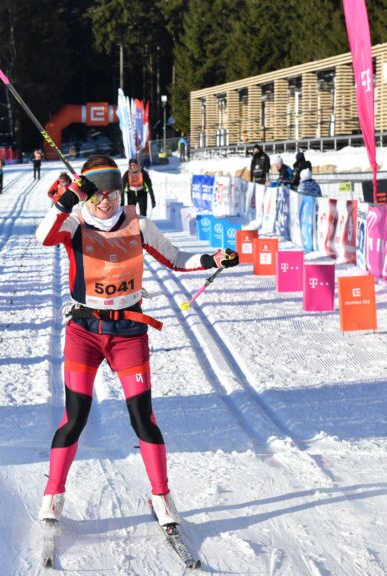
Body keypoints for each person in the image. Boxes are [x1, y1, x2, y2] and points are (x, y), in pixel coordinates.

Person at [34, 155, 240, 527]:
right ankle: (53, 494)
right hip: (84, 330)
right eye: (96, 195)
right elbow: (43, 237)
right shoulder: (75, 223)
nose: (105, 202)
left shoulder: (138, 223)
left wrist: (213, 258)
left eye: (111, 193)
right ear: (85, 196)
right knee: (75, 417)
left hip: (128, 332)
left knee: (143, 418)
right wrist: (67, 198)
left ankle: (161, 496)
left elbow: (176, 258)